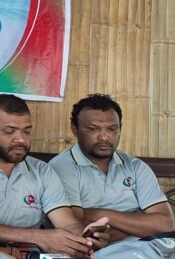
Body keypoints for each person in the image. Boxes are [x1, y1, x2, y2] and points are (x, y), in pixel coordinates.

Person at [0, 94, 108, 257]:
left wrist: (86, 236)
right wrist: (39, 237)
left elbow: (67, 224)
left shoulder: (41, 170)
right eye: (9, 131)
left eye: (27, 131)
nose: (21, 140)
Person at [50, 93, 175, 242]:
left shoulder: (136, 167)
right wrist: (140, 221)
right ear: (75, 129)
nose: (104, 137)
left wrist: (98, 213)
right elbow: (78, 231)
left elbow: (166, 224)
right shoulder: (61, 169)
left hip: (148, 249)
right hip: (95, 254)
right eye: (93, 129)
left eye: (112, 129)